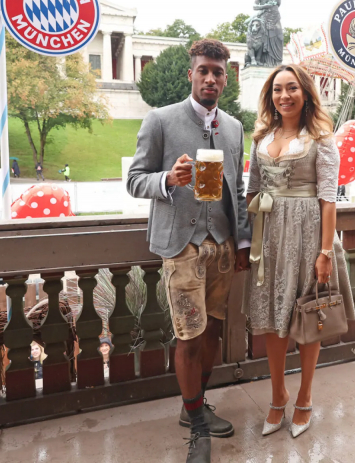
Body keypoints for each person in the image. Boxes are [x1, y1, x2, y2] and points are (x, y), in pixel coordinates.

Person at [126, 39, 251, 463]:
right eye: (204, 70)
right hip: (182, 246)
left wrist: (242, 242)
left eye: (218, 72)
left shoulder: (233, 128)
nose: (210, 78)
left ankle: (193, 405)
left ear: (226, 79)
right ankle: (198, 428)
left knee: (212, 330)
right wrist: (167, 179)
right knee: (189, 335)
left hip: (222, 245)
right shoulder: (160, 120)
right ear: (191, 74)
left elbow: (237, 190)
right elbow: (134, 179)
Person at [245, 64, 355, 439]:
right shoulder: (261, 137)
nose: (284, 96)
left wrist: (325, 252)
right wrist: (248, 239)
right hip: (269, 236)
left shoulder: (321, 139)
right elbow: (252, 190)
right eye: (277, 89)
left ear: (306, 93)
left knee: (309, 315)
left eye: (292, 88)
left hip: (309, 234)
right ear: (270, 96)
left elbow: (328, 200)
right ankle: (278, 396)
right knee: (272, 316)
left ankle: (305, 397)